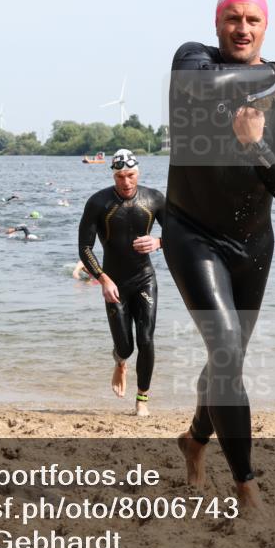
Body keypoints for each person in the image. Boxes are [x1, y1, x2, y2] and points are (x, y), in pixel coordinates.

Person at [165, 0, 275, 509]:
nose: (242, 28)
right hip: (190, 232)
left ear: (265, 28)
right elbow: (208, 89)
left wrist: (255, 149)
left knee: (226, 358)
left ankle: (194, 439)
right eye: (233, 19)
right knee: (226, 349)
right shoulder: (193, 63)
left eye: (252, 20)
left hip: (253, 244)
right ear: (217, 24)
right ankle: (246, 486)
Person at [78, 149, 165, 416]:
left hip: (144, 279)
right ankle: (119, 362)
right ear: (113, 175)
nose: (126, 182)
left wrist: (159, 242)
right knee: (125, 347)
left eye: (130, 175)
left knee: (146, 339)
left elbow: (181, 235)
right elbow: (85, 248)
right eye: (119, 177)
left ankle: (142, 400)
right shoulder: (98, 203)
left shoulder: (154, 199)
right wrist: (103, 279)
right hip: (114, 282)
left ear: (138, 173)